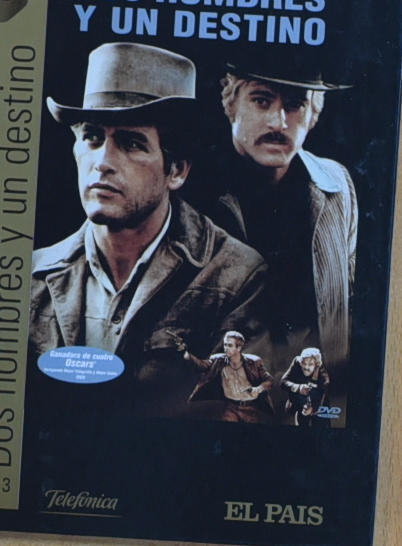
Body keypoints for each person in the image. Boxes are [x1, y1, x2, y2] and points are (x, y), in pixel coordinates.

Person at [29, 43, 267, 416]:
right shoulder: (33, 274)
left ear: (176, 171)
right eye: (92, 137)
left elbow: (234, 419)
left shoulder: (236, 278)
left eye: (131, 143)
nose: (102, 162)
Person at [212, 54, 357, 374]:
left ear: (313, 114)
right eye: (261, 101)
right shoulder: (195, 190)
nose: (278, 123)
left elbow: (347, 299)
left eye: (295, 105)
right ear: (231, 104)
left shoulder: (335, 183)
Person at [173, 330, 274, 423]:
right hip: (230, 407)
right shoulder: (218, 361)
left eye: (230, 345)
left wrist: (258, 389)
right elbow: (201, 365)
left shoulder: (253, 362)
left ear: (239, 348)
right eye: (225, 345)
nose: (226, 348)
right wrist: (185, 353)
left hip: (249, 408)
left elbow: (269, 380)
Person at [279, 347, 330, 427]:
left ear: (316, 365)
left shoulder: (323, 378)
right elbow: (283, 382)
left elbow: (320, 398)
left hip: (318, 406)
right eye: (304, 363)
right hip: (299, 404)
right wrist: (298, 388)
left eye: (310, 364)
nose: (306, 367)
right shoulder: (297, 362)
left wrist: (312, 409)